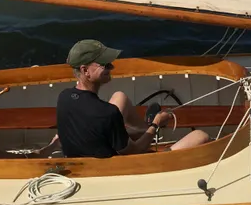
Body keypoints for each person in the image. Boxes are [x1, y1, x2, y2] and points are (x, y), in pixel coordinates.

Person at [56, 39, 210, 158]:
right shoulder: (107, 113)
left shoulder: (64, 97)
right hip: (120, 166)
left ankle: (144, 129)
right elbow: (135, 151)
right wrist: (156, 124)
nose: (112, 68)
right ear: (85, 70)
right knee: (201, 136)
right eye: (105, 65)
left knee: (119, 97)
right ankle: (150, 128)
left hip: (84, 156)